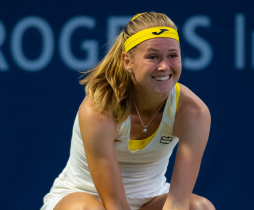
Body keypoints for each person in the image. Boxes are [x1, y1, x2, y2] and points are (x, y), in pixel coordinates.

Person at [41, 12, 215, 210]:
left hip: (151, 201)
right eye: (153, 56)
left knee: (200, 207)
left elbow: (177, 203)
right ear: (127, 61)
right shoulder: (99, 110)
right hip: (90, 200)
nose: (165, 66)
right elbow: (115, 206)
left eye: (173, 55)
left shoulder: (193, 112)